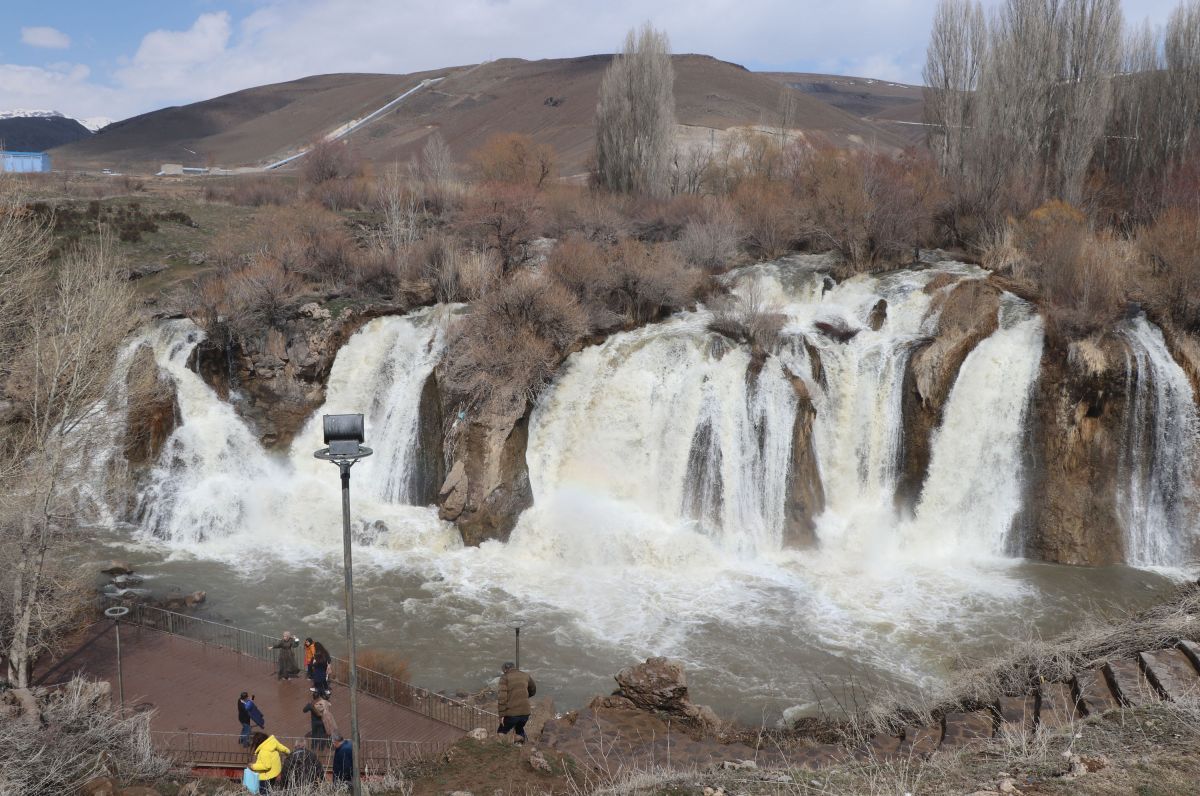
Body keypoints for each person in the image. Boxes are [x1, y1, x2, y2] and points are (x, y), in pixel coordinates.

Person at [496, 661, 536, 745]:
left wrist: (502, 715)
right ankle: (520, 746)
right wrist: (525, 697)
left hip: (512, 714)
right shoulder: (525, 675)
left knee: (501, 732)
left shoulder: (504, 678)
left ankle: (500, 749)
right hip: (525, 713)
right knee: (519, 729)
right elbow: (533, 690)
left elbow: (502, 698)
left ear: (505, 670)